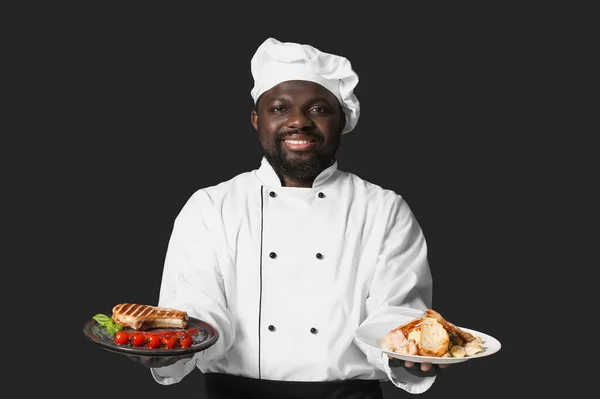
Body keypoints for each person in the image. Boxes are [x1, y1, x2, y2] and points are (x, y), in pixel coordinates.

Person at [131, 37, 448, 398]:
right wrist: (171, 348)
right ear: (256, 119)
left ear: (341, 119)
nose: (298, 121)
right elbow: (197, 312)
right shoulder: (210, 207)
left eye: (318, 109)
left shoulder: (383, 209)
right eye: (279, 108)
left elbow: (396, 314)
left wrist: (405, 355)